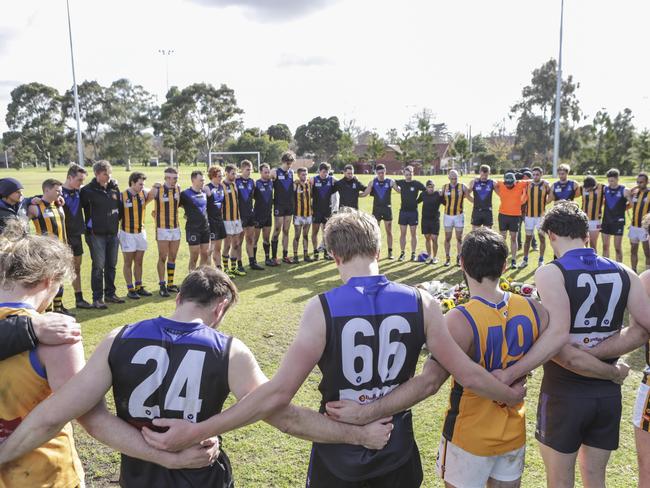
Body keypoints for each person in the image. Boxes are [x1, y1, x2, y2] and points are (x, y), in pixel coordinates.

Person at [140, 208, 525, 487]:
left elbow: (277, 394)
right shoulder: (420, 302)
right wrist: (506, 393)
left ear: (334, 256)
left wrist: (199, 429)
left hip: (337, 449)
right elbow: (443, 377)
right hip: (397, 443)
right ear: (377, 249)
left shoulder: (322, 309)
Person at [0, 265, 391, 487]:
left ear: (178, 299)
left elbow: (63, 413)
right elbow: (283, 416)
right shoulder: (228, 349)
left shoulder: (120, 337)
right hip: (200, 475)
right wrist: (357, 434)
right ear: (220, 308)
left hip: (139, 478)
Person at [0, 221, 217, 486]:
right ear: (49, 280)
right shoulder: (56, 335)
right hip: (41, 474)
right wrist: (167, 458)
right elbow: (90, 418)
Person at [492, 202, 650, 488]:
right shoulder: (625, 271)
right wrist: (603, 351)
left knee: (560, 480)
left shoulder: (551, 272)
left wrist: (512, 372)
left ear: (551, 235)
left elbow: (557, 337)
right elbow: (642, 330)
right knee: (595, 479)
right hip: (607, 394)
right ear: (586, 235)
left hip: (565, 391)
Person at [81, 160, 124, 309]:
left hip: (113, 234)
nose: (109, 176)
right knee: (99, 267)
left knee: (111, 265)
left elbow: (120, 210)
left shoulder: (114, 189)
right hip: (95, 235)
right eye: (106, 174)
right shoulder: (86, 191)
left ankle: (110, 294)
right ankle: (97, 298)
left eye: (110, 173)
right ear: (97, 174)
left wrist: (113, 225)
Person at [27, 178, 71, 314]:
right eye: (57, 191)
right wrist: (31, 200)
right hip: (46, 252)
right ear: (46, 190)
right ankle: (48, 310)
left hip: (62, 249)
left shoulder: (59, 205)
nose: (60, 194)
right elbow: (22, 219)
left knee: (59, 280)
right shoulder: (35, 207)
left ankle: (58, 309)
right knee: (48, 282)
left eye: (61, 191)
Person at [60, 164, 92, 309]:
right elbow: (43, 197)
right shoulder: (58, 191)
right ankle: (57, 303)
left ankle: (79, 299)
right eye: (79, 180)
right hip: (62, 238)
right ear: (69, 177)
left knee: (76, 268)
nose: (81, 183)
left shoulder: (80, 191)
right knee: (59, 270)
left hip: (77, 235)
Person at [118, 172, 152, 300]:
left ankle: (139, 286)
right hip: (127, 233)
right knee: (128, 262)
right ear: (132, 183)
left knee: (139, 261)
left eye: (143, 184)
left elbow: (154, 191)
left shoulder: (143, 193)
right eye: (140, 184)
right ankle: (130, 289)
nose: (142, 187)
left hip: (141, 232)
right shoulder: (122, 195)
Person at [150, 167, 182, 298]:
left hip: (175, 227)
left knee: (173, 257)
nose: (173, 180)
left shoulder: (178, 189)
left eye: (175, 178)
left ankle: (170, 283)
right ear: (166, 178)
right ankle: (162, 284)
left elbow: (180, 204)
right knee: (163, 257)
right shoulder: (157, 189)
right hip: (162, 228)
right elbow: (144, 199)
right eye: (171, 178)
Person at [361, 163, 400, 259]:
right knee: (376, 232)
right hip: (376, 210)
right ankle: (376, 252)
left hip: (387, 209)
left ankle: (390, 252)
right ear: (376, 173)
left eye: (382, 172)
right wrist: (353, 194)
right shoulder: (373, 182)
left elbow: (399, 191)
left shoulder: (390, 181)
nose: (381, 175)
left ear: (385, 172)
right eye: (379, 173)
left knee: (389, 231)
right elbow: (365, 193)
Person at [494, 172, 528, 269]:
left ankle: (513, 260)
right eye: (507, 183)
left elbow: (531, 181)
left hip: (515, 216)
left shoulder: (520, 184)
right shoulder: (501, 183)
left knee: (513, 238)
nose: (509, 185)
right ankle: (502, 258)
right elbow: (493, 182)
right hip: (503, 215)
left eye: (511, 183)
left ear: (515, 181)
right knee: (502, 238)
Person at [179, 170, 211, 271]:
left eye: (204, 180)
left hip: (205, 228)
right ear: (193, 180)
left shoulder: (205, 193)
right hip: (193, 229)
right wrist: (186, 213)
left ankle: (200, 276)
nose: (203, 182)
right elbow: (176, 206)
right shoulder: (185, 194)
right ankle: (191, 277)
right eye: (201, 180)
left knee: (205, 254)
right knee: (194, 256)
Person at [236, 160, 263, 271]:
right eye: (247, 169)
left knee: (250, 239)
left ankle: (252, 262)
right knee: (239, 241)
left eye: (250, 169)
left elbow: (254, 196)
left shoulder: (252, 182)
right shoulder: (236, 181)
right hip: (240, 215)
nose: (249, 172)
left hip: (250, 215)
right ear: (242, 169)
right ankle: (239, 264)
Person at [395, 165, 426, 262]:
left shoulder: (416, 184)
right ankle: (402, 253)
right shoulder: (401, 182)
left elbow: (425, 191)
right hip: (403, 212)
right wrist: (398, 189)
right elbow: (391, 182)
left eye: (410, 174)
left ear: (413, 173)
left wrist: (418, 201)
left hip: (413, 212)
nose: (409, 176)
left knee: (413, 234)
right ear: (404, 174)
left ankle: (413, 253)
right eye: (407, 174)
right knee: (403, 234)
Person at [271, 151, 296, 264]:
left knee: (286, 231)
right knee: (277, 230)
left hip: (289, 206)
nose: (290, 165)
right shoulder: (275, 172)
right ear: (284, 161)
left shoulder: (291, 173)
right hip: (279, 205)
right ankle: (274, 257)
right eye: (288, 163)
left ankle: (285, 255)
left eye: (291, 163)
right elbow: (266, 178)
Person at [521, 167, 549, 268]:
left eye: (537, 174)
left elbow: (552, 195)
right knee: (528, 239)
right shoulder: (528, 184)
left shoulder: (546, 184)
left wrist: (546, 203)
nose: (535, 176)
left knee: (542, 238)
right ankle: (525, 260)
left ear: (541, 174)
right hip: (529, 216)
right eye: (534, 174)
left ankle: (541, 260)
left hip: (540, 217)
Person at [601, 168, 631, 263]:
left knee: (617, 247)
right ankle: (606, 267)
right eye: (609, 180)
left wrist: (624, 208)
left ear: (617, 179)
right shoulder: (605, 189)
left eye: (612, 180)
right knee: (605, 246)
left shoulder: (624, 190)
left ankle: (619, 267)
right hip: (606, 221)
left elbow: (633, 204)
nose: (610, 182)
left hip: (618, 222)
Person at [221, 164, 245, 277]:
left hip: (236, 218)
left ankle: (233, 268)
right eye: (232, 173)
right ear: (226, 173)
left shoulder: (235, 184)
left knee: (236, 244)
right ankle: (225, 269)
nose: (235, 175)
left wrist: (238, 175)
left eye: (235, 173)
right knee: (227, 245)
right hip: (226, 220)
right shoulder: (221, 186)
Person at [441, 169, 469, 267]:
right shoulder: (444, 187)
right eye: (452, 178)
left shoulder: (463, 187)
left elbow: (469, 196)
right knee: (447, 238)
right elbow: (441, 199)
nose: (454, 180)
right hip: (447, 216)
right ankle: (447, 258)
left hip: (459, 215)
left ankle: (459, 258)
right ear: (448, 178)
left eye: (455, 178)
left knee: (459, 238)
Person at [311, 162, 337, 262]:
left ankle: (326, 252)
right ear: (319, 171)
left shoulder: (332, 179)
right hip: (316, 210)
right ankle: (315, 252)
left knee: (326, 233)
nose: (325, 174)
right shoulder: (314, 179)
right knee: (315, 232)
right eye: (323, 172)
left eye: (327, 172)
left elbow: (342, 183)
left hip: (327, 211)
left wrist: (354, 178)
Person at [253, 163, 275, 267]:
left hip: (268, 215)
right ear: (260, 172)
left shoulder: (272, 182)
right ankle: (253, 261)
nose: (267, 174)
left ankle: (267, 258)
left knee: (266, 238)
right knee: (255, 240)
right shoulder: (256, 183)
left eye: (268, 172)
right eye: (265, 172)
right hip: (258, 215)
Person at [206, 165, 227, 271]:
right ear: (213, 176)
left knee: (218, 248)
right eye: (219, 176)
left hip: (219, 221)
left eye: (222, 176)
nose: (221, 178)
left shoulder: (221, 187)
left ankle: (219, 270)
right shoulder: (207, 188)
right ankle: (209, 271)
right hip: (211, 222)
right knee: (210, 249)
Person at [629, 172, 650, 272]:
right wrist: (633, 189)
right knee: (633, 249)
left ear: (647, 182)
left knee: (647, 251)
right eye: (637, 182)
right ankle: (634, 271)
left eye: (641, 182)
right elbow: (628, 194)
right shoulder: (635, 193)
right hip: (634, 227)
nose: (639, 184)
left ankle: (647, 272)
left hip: (644, 228)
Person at [418, 180, 442, 264]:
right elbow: (416, 202)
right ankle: (429, 256)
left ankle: (435, 257)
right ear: (426, 187)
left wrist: (442, 194)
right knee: (427, 238)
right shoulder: (423, 194)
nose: (431, 189)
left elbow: (446, 203)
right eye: (429, 187)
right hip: (425, 220)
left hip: (435, 220)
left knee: (434, 239)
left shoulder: (438, 195)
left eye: (432, 187)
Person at [293, 167, 313, 263]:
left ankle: (306, 255)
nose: (304, 176)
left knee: (305, 235)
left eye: (306, 174)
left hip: (308, 214)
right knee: (297, 236)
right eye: (302, 174)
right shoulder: (295, 184)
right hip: (298, 214)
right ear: (298, 175)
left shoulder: (309, 183)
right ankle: (295, 256)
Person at [580, 176, 604, 251]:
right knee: (583, 243)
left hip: (595, 220)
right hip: (583, 219)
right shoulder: (582, 188)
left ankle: (593, 261)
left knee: (593, 244)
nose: (587, 189)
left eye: (588, 188)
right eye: (586, 187)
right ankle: (583, 262)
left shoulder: (602, 187)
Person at [468, 164, 496, 229]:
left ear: (489, 173)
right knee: (475, 233)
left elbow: (501, 192)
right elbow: (466, 194)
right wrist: (473, 200)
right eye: (483, 175)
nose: (484, 177)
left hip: (487, 211)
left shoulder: (492, 183)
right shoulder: (474, 182)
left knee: (488, 234)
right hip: (477, 211)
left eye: (486, 175)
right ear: (480, 172)